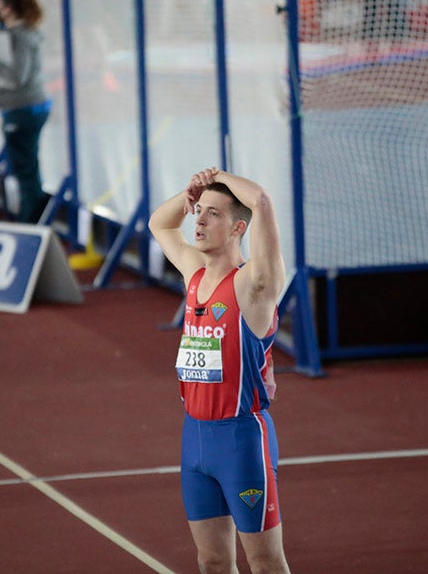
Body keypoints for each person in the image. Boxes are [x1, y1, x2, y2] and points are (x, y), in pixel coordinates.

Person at [148, 167, 291, 574]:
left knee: (264, 561)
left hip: (241, 441)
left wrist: (221, 173)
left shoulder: (253, 285)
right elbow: (160, 222)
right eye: (199, 211)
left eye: (213, 213)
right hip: (195, 438)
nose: (199, 219)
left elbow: (261, 200)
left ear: (237, 228)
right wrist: (190, 192)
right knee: (211, 560)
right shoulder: (194, 273)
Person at [0, 0, 51, 224]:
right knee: (27, 166)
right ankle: (33, 216)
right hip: (24, 109)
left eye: (0, 5)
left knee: (24, 170)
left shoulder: (21, 37)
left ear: (7, 9)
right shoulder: (21, 35)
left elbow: (18, 76)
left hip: (23, 110)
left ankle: (31, 222)